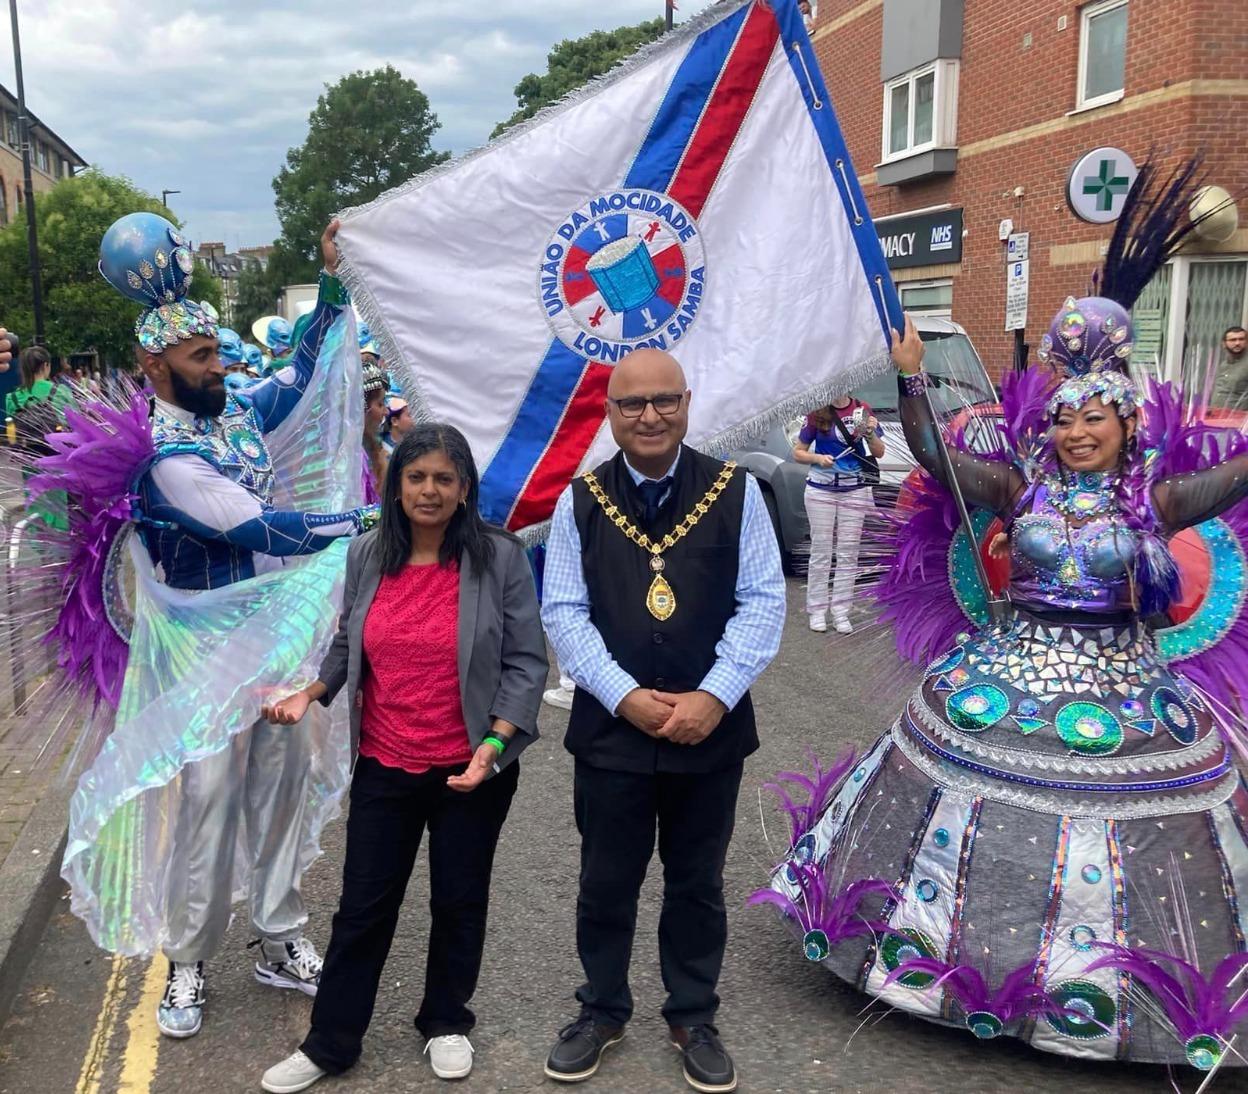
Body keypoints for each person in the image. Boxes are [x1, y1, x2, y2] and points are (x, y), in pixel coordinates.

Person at [761, 160, 1248, 1067]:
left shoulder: (1161, 502)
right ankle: (963, 968)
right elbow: (930, 455)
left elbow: (1242, 472)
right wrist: (909, 380)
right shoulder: (1018, 490)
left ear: (1125, 424)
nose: (1077, 432)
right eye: (1067, 419)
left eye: (1095, 419)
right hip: (1007, 669)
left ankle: (1110, 993)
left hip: (1127, 683)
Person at [58, 212, 377, 1042]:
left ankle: (277, 934)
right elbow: (260, 530)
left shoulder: (230, 409)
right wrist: (371, 519)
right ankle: (191, 959)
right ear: (153, 365)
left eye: (218, 351)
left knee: (278, 782)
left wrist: (335, 279)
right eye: (202, 357)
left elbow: (302, 370)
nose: (220, 363)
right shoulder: (166, 457)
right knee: (207, 801)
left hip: (269, 643)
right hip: (198, 654)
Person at [259, 424, 547, 1093]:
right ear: (396, 486)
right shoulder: (367, 554)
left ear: (464, 489)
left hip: (471, 768)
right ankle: (331, 1043)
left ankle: (446, 1020)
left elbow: (527, 662)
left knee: (458, 901)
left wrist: (495, 746)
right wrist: (313, 692)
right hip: (386, 763)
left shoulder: (498, 558)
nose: (429, 490)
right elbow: (346, 642)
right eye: (416, 477)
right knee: (362, 908)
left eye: (444, 478)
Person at [542, 349, 786, 1093]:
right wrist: (624, 696)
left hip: (709, 731)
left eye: (663, 401)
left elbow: (763, 600)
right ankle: (602, 1008)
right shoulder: (577, 501)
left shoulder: (737, 492)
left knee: (697, 883)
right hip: (613, 732)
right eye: (631, 405)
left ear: (686, 402)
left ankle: (693, 1014)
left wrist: (713, 695)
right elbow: (564, 610)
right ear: (610, 415)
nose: (649, 416)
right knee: (605, 881)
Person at [792, 395, 884, 633]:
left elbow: (879, 451)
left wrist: (871, 433)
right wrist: (817, 458)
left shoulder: (863, 409)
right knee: (821, 550)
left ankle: (841, 612)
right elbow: (798, 452)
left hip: (854, 489)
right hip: (820, 489)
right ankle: (817, 610)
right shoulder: (817, 412)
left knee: (848, 552)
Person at [361, 358, 389, 504]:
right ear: (363, 407)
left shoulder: (374, 449)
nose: (385, 411)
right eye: (380, 404)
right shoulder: (348, 455)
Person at [1212, 324, 1247, 410]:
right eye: (1233, 340)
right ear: (1224, 344)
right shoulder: (1223, 364)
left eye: (1241, 339)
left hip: (1239, 420)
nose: (1237, 343)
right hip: (1216, 417)